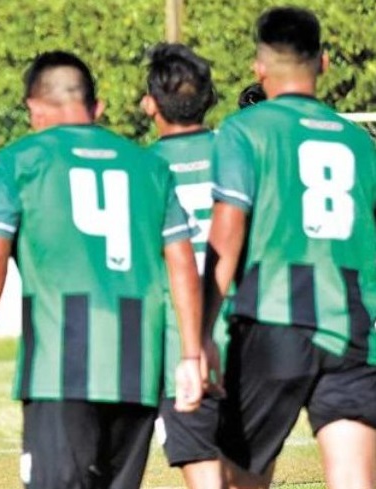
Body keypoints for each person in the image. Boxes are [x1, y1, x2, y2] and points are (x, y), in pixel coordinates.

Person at [0, 50, 204, 489]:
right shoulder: (150, 165)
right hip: (138, 363)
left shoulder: (20, 160)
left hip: (60, 362)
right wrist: (189, 354)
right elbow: (182, 263)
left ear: (34, 107)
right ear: (96, 107)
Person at [204, 7, 376, 489]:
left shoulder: (245, 130)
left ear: (260, 66)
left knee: (243, 479)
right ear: (323, 63)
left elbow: (227, 233)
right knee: (354, 479)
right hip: (351, 329)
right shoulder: (359, 142)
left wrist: (201, 332)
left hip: (272, 320)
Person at [142, 43, 224, 489]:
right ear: (210, 98)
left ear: (150, 103)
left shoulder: (141, 169)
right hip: (251, 337)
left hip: (178, 344)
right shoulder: (241, 152)